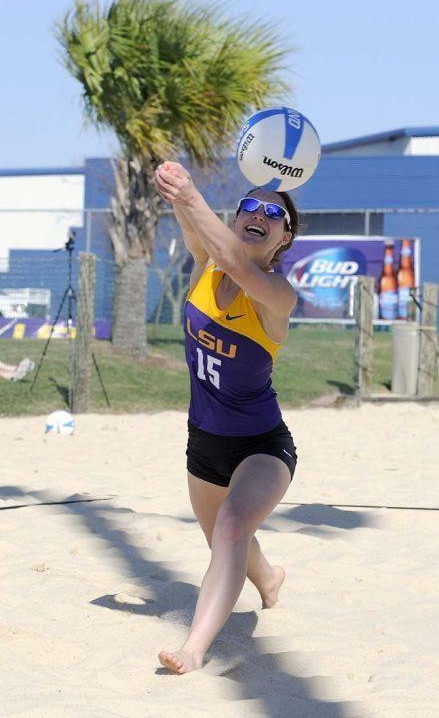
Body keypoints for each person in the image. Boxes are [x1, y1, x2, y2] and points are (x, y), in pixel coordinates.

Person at [154, 161, 299, 674]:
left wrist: (192, 195)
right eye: (251, 206)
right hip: (204, 443)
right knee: (227, 537)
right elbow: (203, 236)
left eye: (274, 213)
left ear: (284, 238)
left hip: (262, 444)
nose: (260, 213)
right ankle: (270, 578)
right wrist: (174, 186)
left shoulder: (279, 296)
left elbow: (239, 265)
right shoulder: (205, 263)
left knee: (233, 528)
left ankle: (194, 647)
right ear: (236, 219)